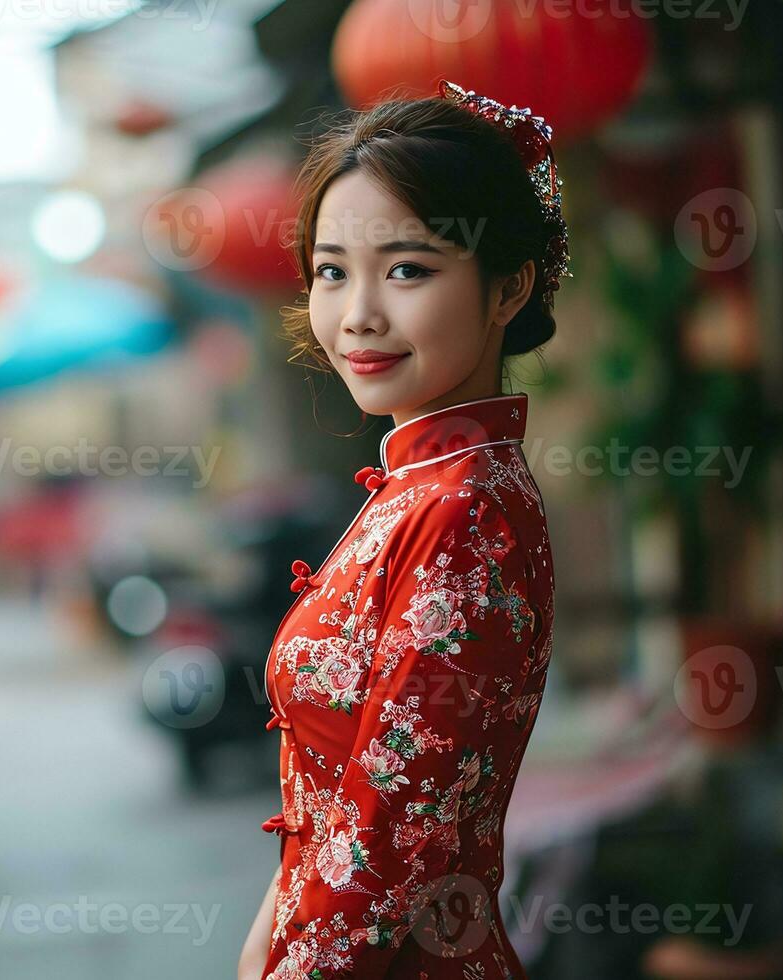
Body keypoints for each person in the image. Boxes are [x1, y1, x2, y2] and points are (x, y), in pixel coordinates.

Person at [237, 79, 569, 980]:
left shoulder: (461, 510)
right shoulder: (422, 487)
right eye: (333, 270)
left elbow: (390, 843)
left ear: (509, 287)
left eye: (409, 269)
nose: (359, 316)